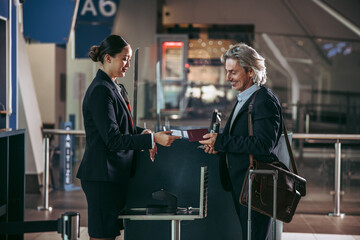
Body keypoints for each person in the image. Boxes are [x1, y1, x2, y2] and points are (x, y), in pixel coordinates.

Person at [76, 34, 180, 240]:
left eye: (129, 59)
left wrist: (143, 132)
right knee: (102, 235)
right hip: (102, 178)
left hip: (114, 176)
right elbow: (113, 139)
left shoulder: (115, 87)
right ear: (107, 58)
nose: (128, 64)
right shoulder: (100, 91)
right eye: (124, 58)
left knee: (110, 234)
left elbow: (124, 127)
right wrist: (152, 140)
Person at [199, 43, 283, 239]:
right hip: (245, 184)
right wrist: (218, 146)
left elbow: (263, 145)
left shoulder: (264, 101)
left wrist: (222, 142)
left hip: (256, 186)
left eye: (233, 72)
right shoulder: (245, 98)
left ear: (251, 72)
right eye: (227, 72)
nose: (228, 78)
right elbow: (243, 139)